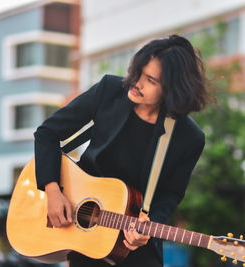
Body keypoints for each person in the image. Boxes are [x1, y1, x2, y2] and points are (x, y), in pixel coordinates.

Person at [34, 34, 213, 267]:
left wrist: (147, 228)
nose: (137, 82)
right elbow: (47, 133)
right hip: (85, 236)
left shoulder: (188, 138)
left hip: (136, 251)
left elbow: (170, 194)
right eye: (138, 72)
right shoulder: (109, 91)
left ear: (172, 90)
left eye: (150, 80)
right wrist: (53, 191)